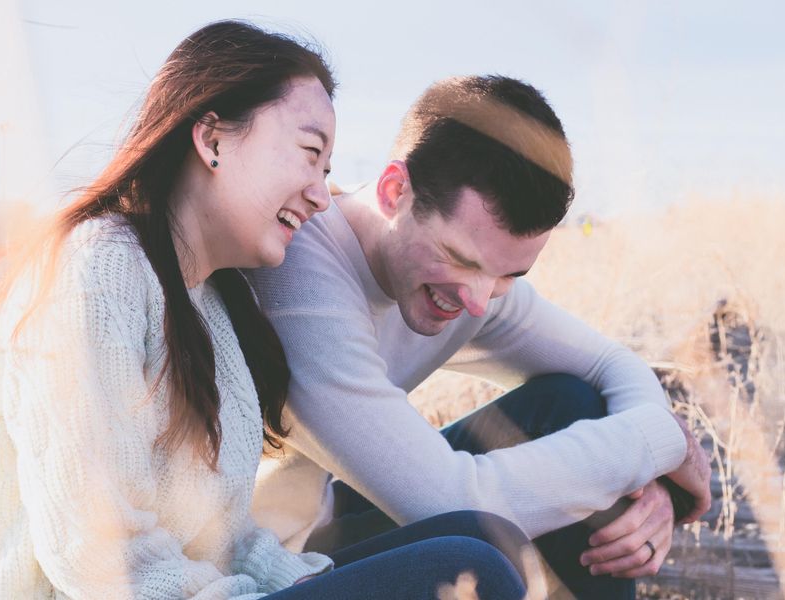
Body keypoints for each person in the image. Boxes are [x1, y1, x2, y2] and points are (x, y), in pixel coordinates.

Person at [0, 22, 528, 599]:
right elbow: (98, 555)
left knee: (485, 536)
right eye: (308, 154)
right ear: (213, 139)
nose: (321, 194)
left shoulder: (210, 302)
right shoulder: (98, 271)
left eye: (327, 172)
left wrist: (313, 582)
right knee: (470, 566)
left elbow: (224, 537)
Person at [246, 75, 713, 598]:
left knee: (572, 401)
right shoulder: (299, 271)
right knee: (478, 553)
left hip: (331, 520)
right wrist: (660, 444)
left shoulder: (477, 283)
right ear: (394, 191)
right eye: (461, 259)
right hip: (263, 569)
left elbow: (611, 364)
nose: (477, 299)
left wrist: (646, 484)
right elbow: (449, 502)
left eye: (510, 275)